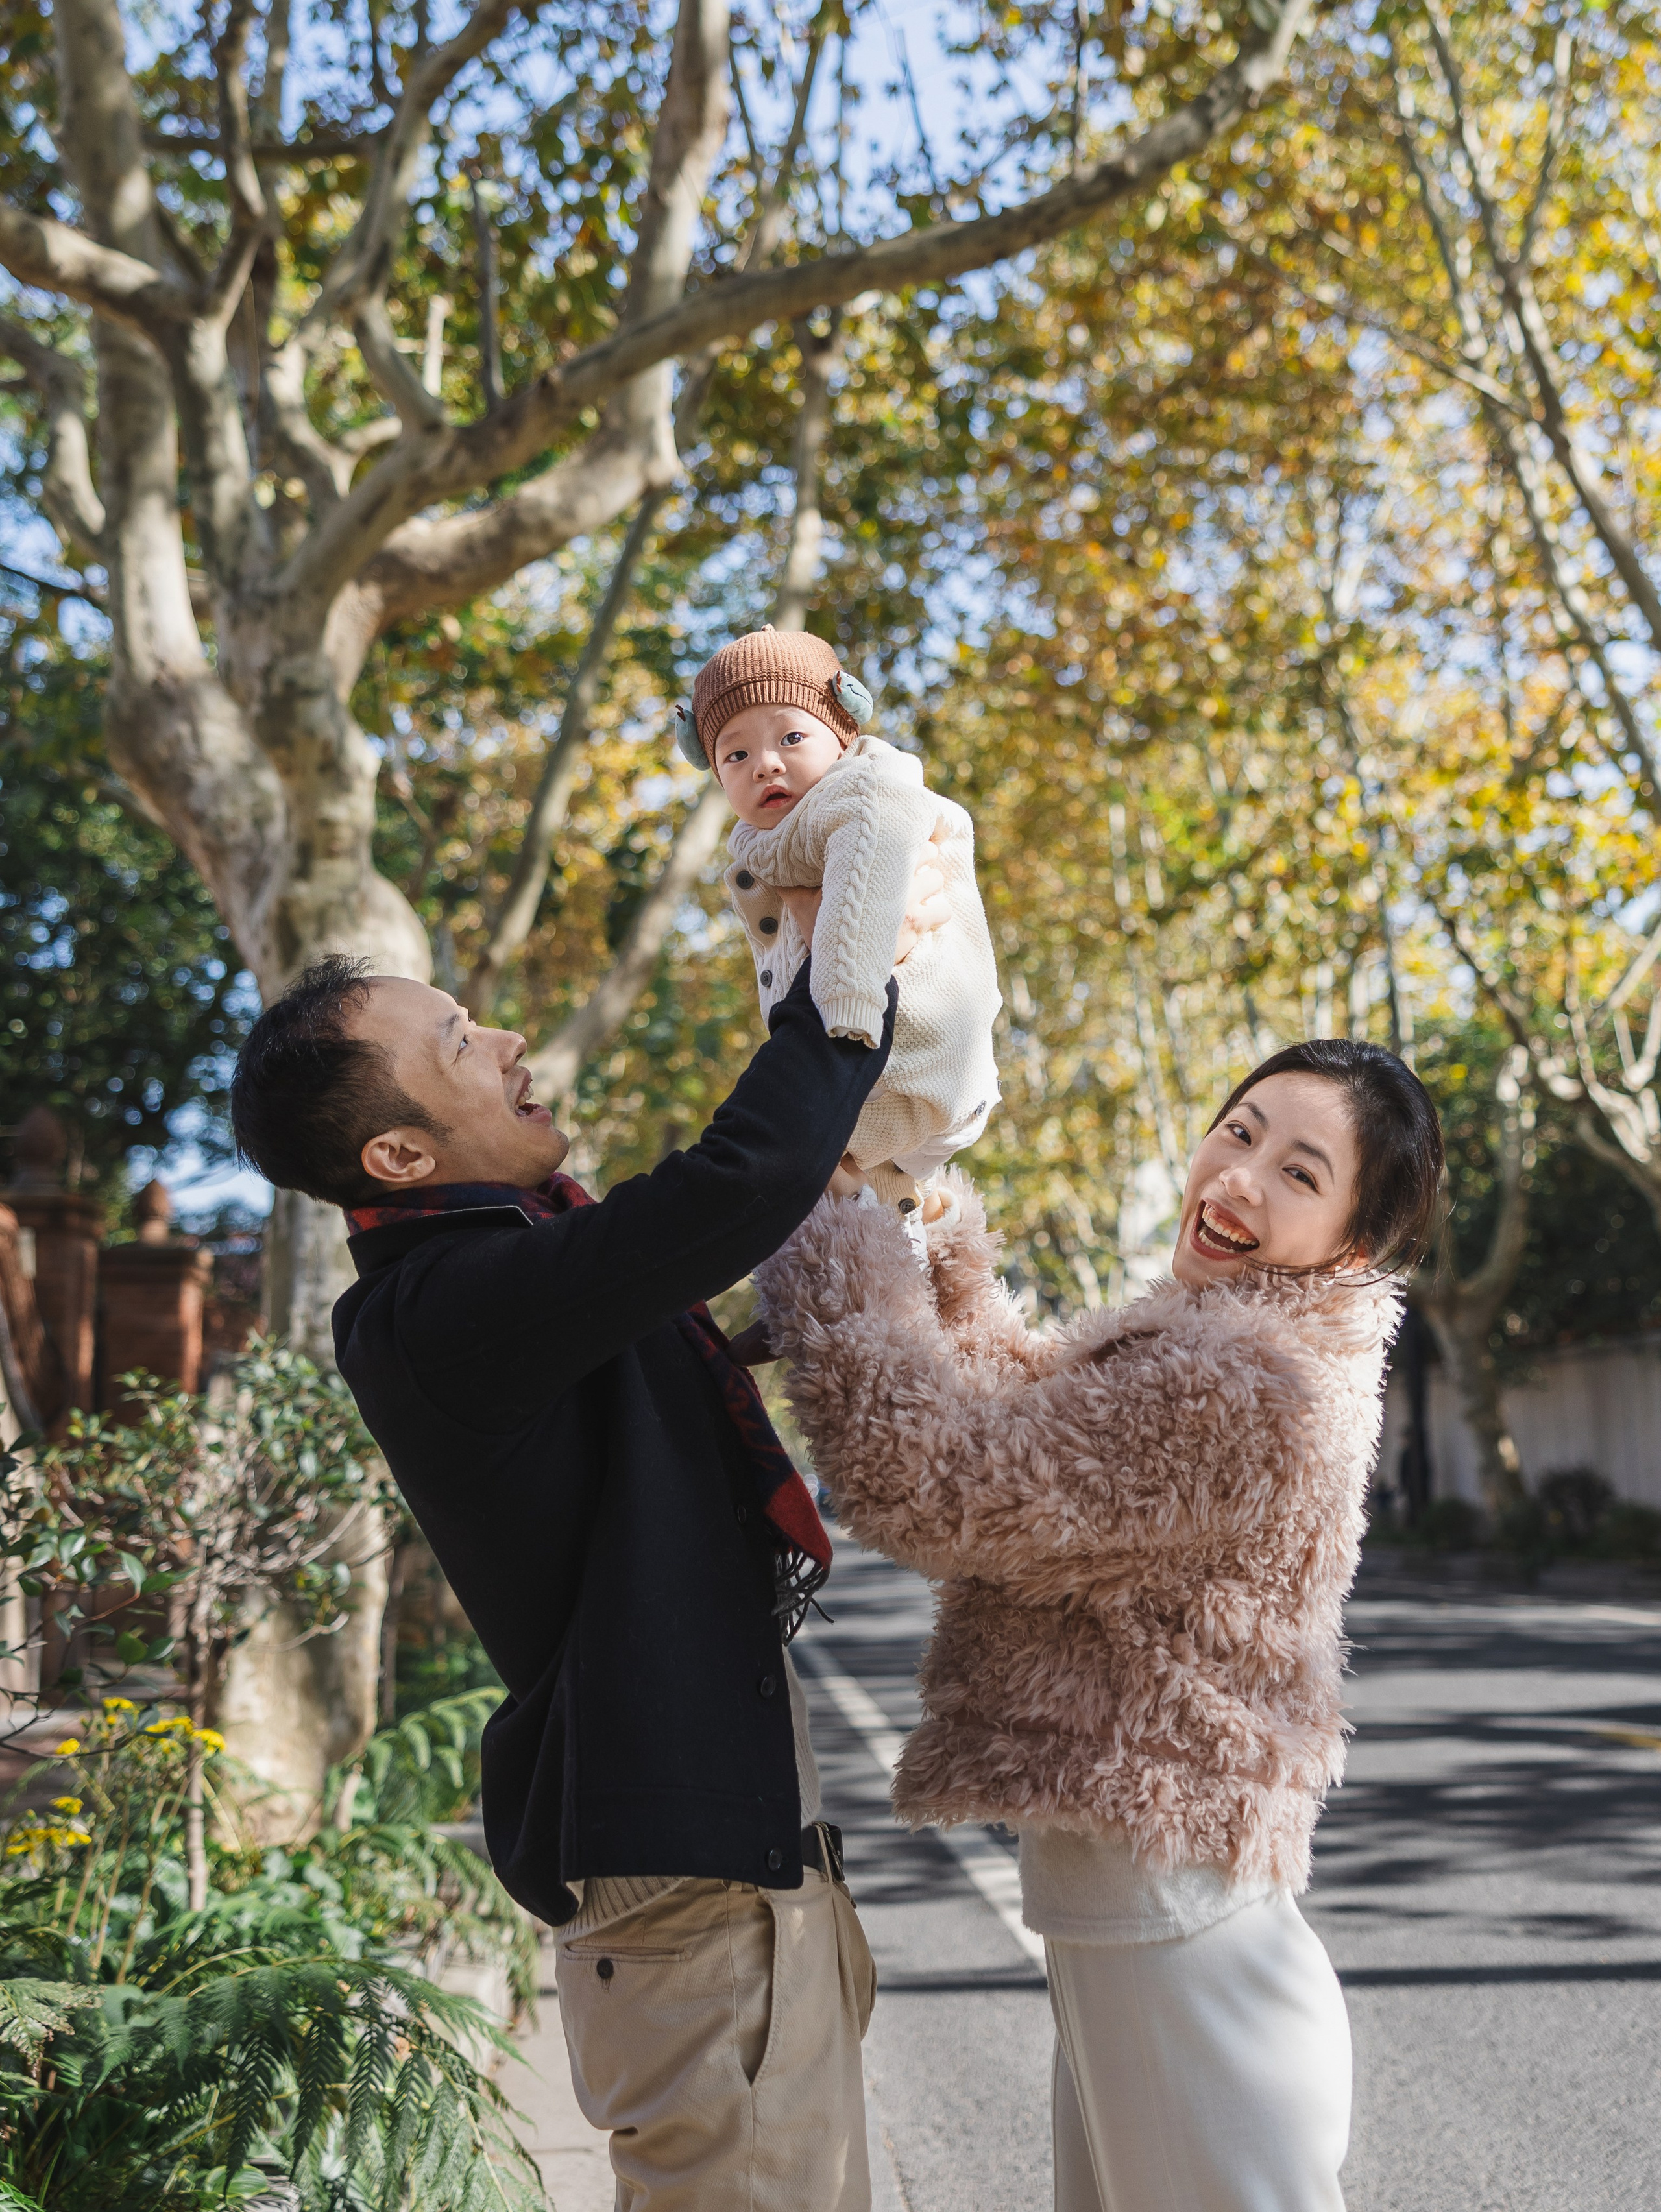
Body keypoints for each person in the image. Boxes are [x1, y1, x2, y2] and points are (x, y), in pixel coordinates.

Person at [226, 882, 943, 2212]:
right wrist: (839, 983)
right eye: (455, 1043)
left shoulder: (491, 1276)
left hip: (729, 1877)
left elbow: (622, 1401)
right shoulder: (440, 1303)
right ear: (396, 1155)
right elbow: (732, 1187)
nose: (502, 1040)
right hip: (690, 1895)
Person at [750, 1040, 1444, 2212]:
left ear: (1352, 1248)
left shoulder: (1248, 1383)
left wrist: (828, 1238)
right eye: (1241, 1130)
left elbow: (936, 1481)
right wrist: (931, 1244)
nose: (1239, 1177)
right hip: (1159, 1913)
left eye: (1300, 1172)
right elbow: (1027, 1408)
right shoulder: (1222, 1344)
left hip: (1178, 1926)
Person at [677, 625, 1002, 1225]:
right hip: (878, 1068)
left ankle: (896, 1207)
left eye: (792, 737)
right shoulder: (768, 841)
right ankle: (908, 1204)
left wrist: (847, 1002)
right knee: (848, 1201)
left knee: (804, 1162)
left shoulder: (867, 794)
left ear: (844, 732)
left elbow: (865, 895)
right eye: (735, 754)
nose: (765, 764)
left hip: (914, 1052)